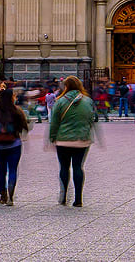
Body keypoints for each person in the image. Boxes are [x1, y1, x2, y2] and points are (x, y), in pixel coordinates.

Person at [48, 76, 98, 208]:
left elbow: (54, 122)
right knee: (78, 167)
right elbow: (92, 118)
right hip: (82, 140)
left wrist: (52, 137)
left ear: (66, 87)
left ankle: (63, 196)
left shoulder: (59, 101)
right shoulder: (88, 101)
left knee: (64, 168)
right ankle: (78, 199)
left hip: (63, 140)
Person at [0, 85, 29, 206]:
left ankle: (3, 195)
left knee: (0, 170)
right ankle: (11, 193)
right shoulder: (17, 110)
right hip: (14, 144)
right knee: (13, 169)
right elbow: (25, 127)